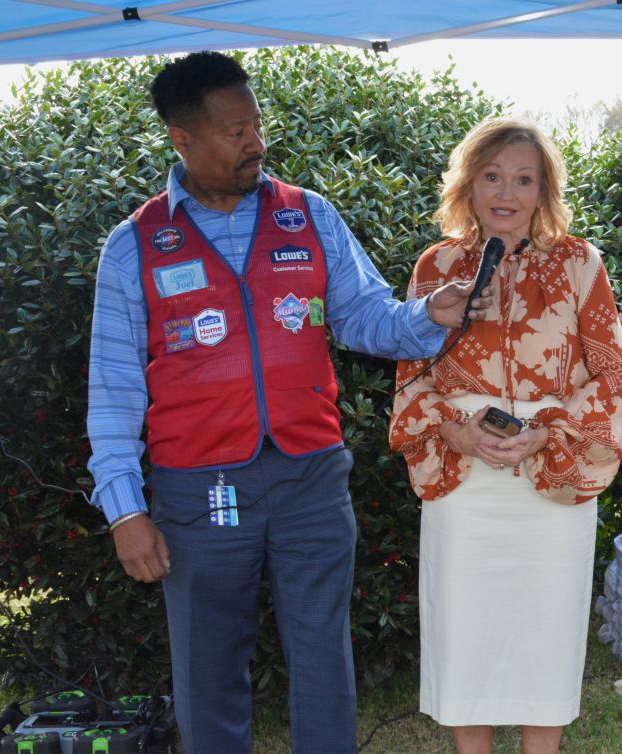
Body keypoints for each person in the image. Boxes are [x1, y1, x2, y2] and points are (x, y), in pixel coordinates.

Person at [86, 51, 491, 754]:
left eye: (257, 124)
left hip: (309, 477)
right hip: (198, 489)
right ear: (183, 139)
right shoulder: (135, 248)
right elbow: (114, 389)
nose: (256, 142)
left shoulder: (310, 218)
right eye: (234, 130)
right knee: (209, 670)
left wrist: (431, 313)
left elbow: (366, 318)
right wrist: (125, 509)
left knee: (322, 660)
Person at [388, 116, 622, 754]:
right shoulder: (436, 265)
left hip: (551, 480)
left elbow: (609, 371)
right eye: (492, 175)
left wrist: (547, 432)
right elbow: (412, 375)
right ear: (468, 184)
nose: (507, 192)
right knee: (468, 635)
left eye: (524, 179)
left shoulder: (581, 263)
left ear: (544, 189)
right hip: (463, 481)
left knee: (544, 635)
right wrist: (455, 433)